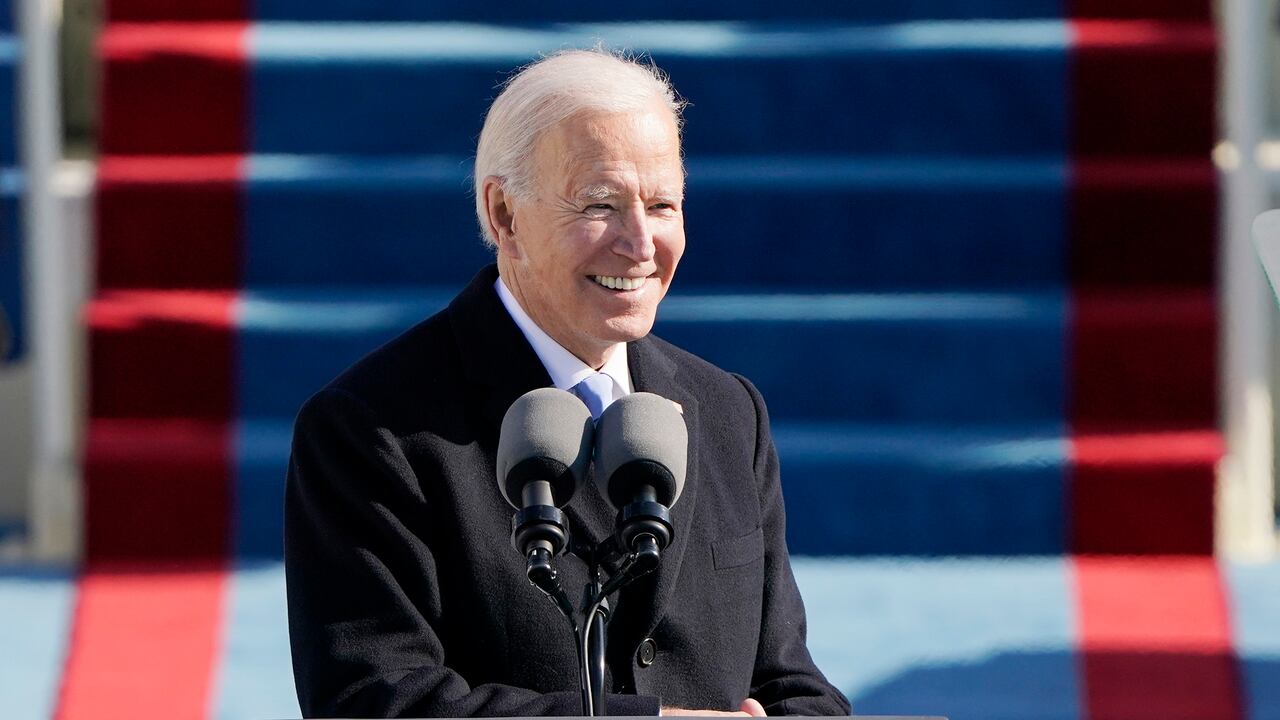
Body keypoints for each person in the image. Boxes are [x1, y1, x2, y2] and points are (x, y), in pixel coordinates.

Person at [285, 49, 851, 718]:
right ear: (504, 216)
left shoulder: (728, 411)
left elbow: (793, 684)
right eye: (600, 204)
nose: (640, 244)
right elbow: (378, 701)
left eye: (663, 204)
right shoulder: (371, 430)